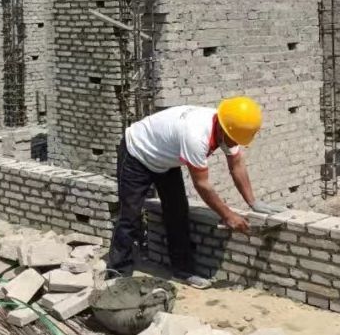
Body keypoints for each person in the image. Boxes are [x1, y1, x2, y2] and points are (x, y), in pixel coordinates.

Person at [107, 96, 278, 288]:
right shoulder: (196, 136)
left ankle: (183, 271)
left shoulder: (229, 126)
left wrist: (252, 201)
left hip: (165, 160)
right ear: (223, 129)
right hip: (137, 153)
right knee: (130, 217)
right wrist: (228, 215)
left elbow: (236, 164)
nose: (234, 144)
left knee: (178, 212)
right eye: (234, 140)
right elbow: (202, 184)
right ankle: (116, 276)